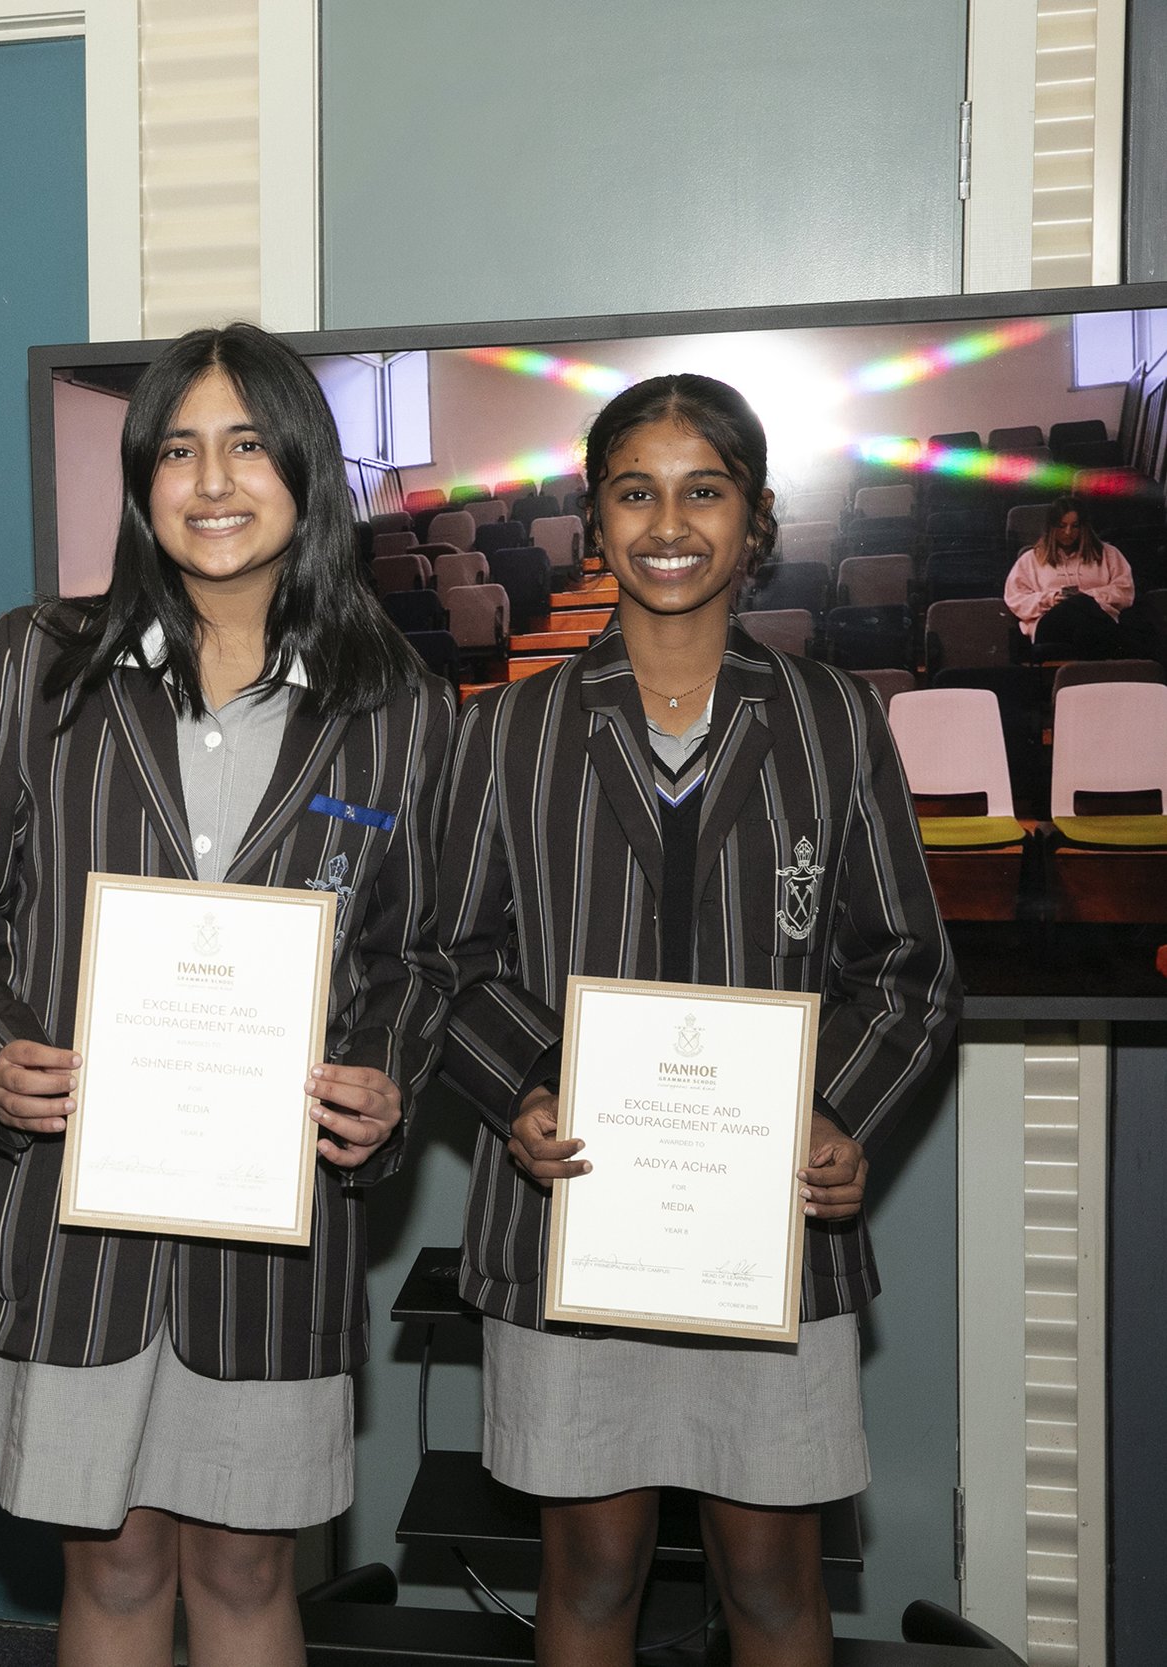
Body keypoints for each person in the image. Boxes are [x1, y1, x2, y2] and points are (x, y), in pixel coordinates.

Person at [0, 322, 454, 1667]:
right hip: (66, 1210)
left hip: (271, 1224)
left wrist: (384, 1076)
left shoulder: (400, 706)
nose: (211, 482)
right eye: (179, 451)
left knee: (249, 1567)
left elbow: (418, 956)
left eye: (248, 445)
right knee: (114, 1555)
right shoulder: (44, 659)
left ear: (306, 470)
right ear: (142, 480)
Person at [433, 373, 961, 1665]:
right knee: (592, 1566)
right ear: (593, 521)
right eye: (636, 491)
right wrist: (526, 1087)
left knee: (774, 1577)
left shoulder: (833, 719)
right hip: (571, 1220)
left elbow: (909, 966)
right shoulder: (507, 729)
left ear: (755, 517)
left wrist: (837, 1117)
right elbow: (446, 957)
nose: (669, 522)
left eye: (703, 490)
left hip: (767, 1227)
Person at [1002, 495, 1135, 658]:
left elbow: (1124, 591)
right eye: (1061, 526)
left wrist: (1087, 597)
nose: (1068, 532)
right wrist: (1051, 599)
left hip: (1098, 620)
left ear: (1084, 527)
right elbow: (1016, 599)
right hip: (1051, 624)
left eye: (1075, 526)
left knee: (1084, 613)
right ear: (1051, 527)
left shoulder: (1109, 554)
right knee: (1077, 611)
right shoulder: (1031, 559)